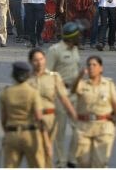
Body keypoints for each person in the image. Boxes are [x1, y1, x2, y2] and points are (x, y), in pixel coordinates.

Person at [71, 56, 116, 168]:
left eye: (94, 65)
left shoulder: (108, 85)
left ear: (101, 68)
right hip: (83, 127)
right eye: (89, 65)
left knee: (99, 163)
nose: (91, 67)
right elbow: (72, 90)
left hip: (103, 127)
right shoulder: (82, 84)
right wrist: (79, 77)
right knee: (83, 162)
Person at [28, 48, 78, 167]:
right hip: (33, 119)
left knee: (48, 151)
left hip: (50, 119)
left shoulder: (54, 77)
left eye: (41, 59)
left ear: (45, 60)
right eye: (35, 60)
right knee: (37, 150)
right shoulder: (27, 80)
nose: (39, 62)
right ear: (30, 62)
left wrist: (74, 115)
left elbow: (63, 97)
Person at [0, 61, 51, 168]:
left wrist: (7, 134)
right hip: (30, 134)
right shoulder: (33, 92)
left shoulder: (6, 93)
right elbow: (39, 118)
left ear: (13, 75)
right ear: (28, 75)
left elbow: (3, 119)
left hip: (12, 133)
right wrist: (46, 141)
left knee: (10, 166)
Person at [46, 21, 82, 168]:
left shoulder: (75, 49)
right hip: (60, 95)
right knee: (59, 131)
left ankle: (72, 158)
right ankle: (61, 161)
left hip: (75, 93)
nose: (80, 37)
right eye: (78, 35)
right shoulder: (55, 50)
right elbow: (47, 74)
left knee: (79, 129)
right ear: (72, 37)